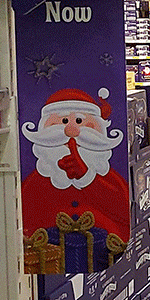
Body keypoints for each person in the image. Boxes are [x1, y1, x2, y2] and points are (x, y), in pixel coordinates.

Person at [21, 87, 130, 242]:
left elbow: (123, 209)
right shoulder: (35, 181)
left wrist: (87, 177)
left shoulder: (109, 179)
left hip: (108, 246)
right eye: (64, 121)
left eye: (79, 121)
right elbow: (24, 214)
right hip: (48, 251)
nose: (71, 131)